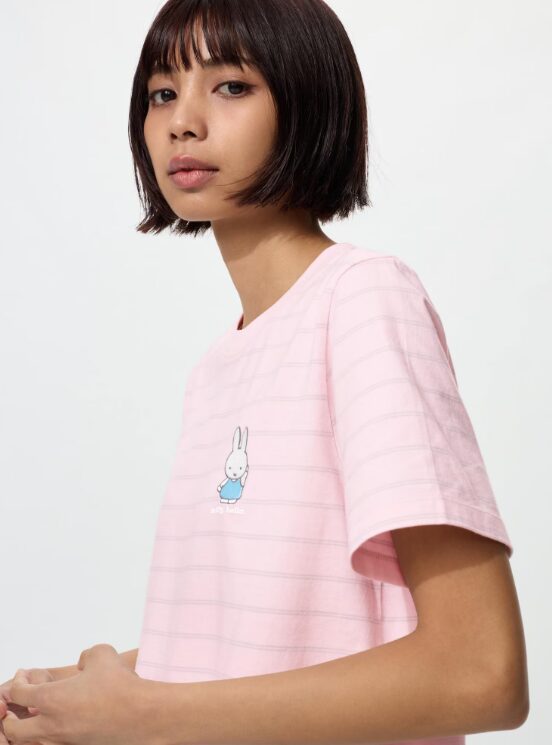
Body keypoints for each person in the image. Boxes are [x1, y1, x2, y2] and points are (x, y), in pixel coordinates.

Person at [1, 1, 529, 744]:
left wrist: (139, 715)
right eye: (162, 93)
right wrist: (75, 697)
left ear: (308, 102)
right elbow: (276, 641)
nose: (183, 122)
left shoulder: (363, 300)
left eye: (231, 86)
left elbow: (480, 672)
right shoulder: (219, 368)